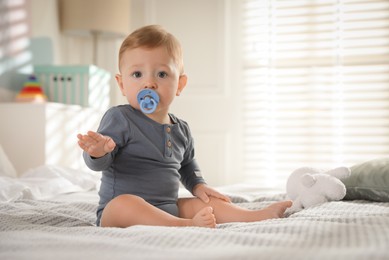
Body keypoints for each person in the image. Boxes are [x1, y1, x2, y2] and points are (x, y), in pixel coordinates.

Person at [77, 25, 292, 228]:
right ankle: (187, 225)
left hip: (167, 208)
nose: (149, 83)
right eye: (137, 74)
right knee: (124, 203)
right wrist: (97, 154)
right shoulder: (120, 118)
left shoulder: (181, 129)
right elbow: (99, 164)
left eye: (161, 74)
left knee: (205, 202)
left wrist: (199, 185)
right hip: (120, 213)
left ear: (179, 84)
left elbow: (187, 165)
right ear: (122, 84)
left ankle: (254, 216)